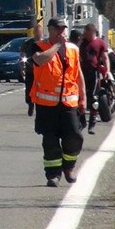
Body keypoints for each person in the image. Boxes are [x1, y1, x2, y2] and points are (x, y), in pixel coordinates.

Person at [30, 17, 86, 187]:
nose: (62, 32)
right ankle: (53, 175)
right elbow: (40, 60)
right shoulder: (38, 46)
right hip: (46, 105)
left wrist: (83, 96)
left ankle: (68, 167)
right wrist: (56, 46)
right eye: (58, 29)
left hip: (69, 102)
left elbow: (78, 73)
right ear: (50, 29)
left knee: (75, 136)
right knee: (50, 140)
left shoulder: (73, 49)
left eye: (64, 29)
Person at [79, 23, 110, 135]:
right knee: (80, 96)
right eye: (84, 33)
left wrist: (107, 70)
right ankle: (82, 121)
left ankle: (92, 123)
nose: (85, 35)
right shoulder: (82, 43)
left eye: (87, 33)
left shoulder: (100, 43)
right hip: (82, 72)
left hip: (94, 73)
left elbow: (105, 57)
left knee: (93, 97)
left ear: (92, 32)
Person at [20, 23, 43, 116]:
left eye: (39, 33)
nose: (37, 34)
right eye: (36, 32)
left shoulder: (45, 43)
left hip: (42, 72)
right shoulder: (28, 43)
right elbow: (22, 55)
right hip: (30, 70)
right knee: (29, 89)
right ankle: (30, 104)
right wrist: (22, 67)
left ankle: (39, 107)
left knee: (41, 90)